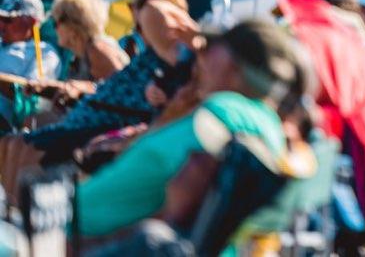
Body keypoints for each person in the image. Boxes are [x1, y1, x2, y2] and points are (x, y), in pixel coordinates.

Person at [74, 18, 304, 239]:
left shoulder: (225, 113)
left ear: (232, 66)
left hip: (75, 237)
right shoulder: (257, 121)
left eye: (210, 49)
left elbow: (172, 220)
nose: (200, 59)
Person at [0, 0, 62, 126]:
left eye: (7, 19)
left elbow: (30, 97)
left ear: (31, 22)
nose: (1, 25)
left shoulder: (44, 53)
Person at [49, 0, 129, 91]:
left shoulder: (97, 49)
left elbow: (120, 88)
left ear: (72, 24)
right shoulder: (82, 51)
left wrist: (81, 89)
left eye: (55, 23)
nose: (55, 29)